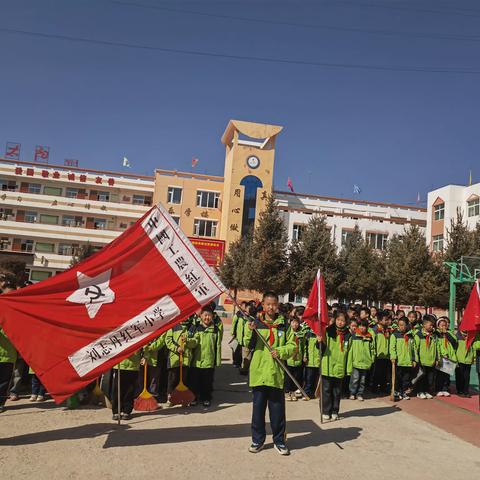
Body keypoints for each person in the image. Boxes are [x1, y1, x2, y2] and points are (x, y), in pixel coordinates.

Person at [243, 291, 295, 456]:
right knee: (258, 411)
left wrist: (280, 351)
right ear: (263, 305)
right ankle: (257, 440)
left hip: (276, 374)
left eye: (274, 304)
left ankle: (279, 441)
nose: (271, 307)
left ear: (277, 306)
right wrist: (250, 331)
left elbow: (293, 346)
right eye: (268, 304)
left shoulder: (284, 325)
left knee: (277, 411)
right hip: (259, 374)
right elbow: (246, 343)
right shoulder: (255, 323)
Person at [320, 312, 352, 421]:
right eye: (338, 320)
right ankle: (325, 411)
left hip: (340, 367)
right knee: (326, 390)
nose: (340, 322)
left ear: (346, 322)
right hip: (327, 365)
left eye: (343, 320)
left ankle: (335, 410)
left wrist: (348, 369)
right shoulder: (328, 331)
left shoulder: (348, 335)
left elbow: (350, 353)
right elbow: (320, 348)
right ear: (335, 320)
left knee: (337, 391)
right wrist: (319, 342)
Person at [190, 306, 222, 407]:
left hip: (209, 361)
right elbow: (192, 343)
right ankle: (194, 398)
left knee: (207, 382)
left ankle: (206, 398)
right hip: (196, 361)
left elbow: (218, 345)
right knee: (194, 381)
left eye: (209, 315)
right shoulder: (195, 328)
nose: (207, 318)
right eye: (205, 315)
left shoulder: (215, 330)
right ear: (200, 316)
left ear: (212, 316)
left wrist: (217, 360)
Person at [165, 319, 198, 405]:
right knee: (172, 379)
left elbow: (195, 342)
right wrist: (176, 348)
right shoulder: (173, 325)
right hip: (174, 359)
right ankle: (170, 397)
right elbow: (168, 340)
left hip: (186, 360)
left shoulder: (192, 327)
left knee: (184, 380)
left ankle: (182, 398)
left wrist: (187, 341)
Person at [347, 319, 375, 401]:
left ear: (367, 327)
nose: (362, 328)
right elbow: (350, 349)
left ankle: (360, 393)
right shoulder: (353, 336)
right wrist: (351, 360)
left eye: (364, 326)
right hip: (356, 361)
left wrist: (372, 358)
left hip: (365, 362)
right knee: (355, 379)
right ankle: (352, 393)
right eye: (360, 326)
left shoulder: (369, 337)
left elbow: (372, 349)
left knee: (362, 380)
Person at [390, 317, 416, 400]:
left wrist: (414, 360)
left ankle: (403, 392)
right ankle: (396, 392)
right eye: (399, 325)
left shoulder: (411, 336)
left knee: (406, 379)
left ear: (407, 325)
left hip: (408, 362)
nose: (401, 327)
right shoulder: (394, 335)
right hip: (398, 361)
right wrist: (393, 357)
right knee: (397, 379)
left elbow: (413, 349)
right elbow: (392, 347)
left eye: (403, 325)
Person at [111, 350, 141, 420]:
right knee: (117, 389)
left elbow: (144, 344)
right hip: (119, 364)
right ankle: (116, 411)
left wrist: (146, 356)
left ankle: (127, 411)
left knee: (130, 390)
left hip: (133, 365)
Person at [414, 315, 438, 399]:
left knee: (429, 378)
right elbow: (415, 348)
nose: (432, 327)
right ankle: (419, 391)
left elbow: (437, 347)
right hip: (422, 361)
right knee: (421, 377)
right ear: (424, 324)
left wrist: (437, 358)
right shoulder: (419, 335)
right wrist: (416, 360)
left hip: (431, 361)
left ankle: (426, 391)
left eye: (433, 325)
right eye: (430, 325)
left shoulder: (434, 335)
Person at [435, 317, 457, 397]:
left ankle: (445, 388)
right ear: (437, 326)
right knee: (439, 374)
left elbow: (454, 342)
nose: (443, 327)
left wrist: (446, 333)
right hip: (441, 356)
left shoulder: (449, 333)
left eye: (445, 325)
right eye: (441, 325)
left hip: (449, 357)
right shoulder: (436, 334)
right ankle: (438, 389)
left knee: (446, 374)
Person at [284, 316, 305, 402]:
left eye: (297, 322)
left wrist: (304, 355)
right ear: (290, 322)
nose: (295, 324)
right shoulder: (288, 331)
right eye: (293, 322)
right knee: (288, 376)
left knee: (297, 376)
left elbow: (303, 345)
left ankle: (293, 391)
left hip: (298, 358)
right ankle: (287, 391)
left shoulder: (301, 333)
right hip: (289, 358)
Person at [454, 331, 480, 397]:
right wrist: (454, 358)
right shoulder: (457, 336)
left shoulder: (471, 336)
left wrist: (473, 357)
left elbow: (474, 347)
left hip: (468, 359)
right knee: (459, 375)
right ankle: (460, 390)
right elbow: (454, 347)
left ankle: (466, 391)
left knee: (467, 376)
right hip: (459, 359)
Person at [371, 312, 392, 394]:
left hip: (386, 356)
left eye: (388, 320)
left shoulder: (388, 330)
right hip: (378, 355)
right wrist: (374, 354)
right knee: (376, 373)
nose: (387, 321)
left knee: (384, 374)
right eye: (385, 320)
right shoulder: (374, 330)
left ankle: (383, 388)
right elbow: (373, 343)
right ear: (379, 320)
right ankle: (374, 388)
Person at [303, 327, 320, 400]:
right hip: (309, 362)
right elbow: (305, 347)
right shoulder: (308, 334)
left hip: (318, 361)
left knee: (316, 379)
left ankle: (314, 393)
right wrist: (305, 356)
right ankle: (306, 393)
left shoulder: (320, 335)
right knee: (309, 379)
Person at [230, 302, 246, 368]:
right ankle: (235, 362)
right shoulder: (238, 315)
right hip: (237, 335)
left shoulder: (246, 315)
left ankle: (239, 362)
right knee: (235, 349)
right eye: (244, 306)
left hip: (243, 336)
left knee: (240, 351)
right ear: (241, 306)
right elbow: (233, 324)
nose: (245, 308)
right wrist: (233, 333)